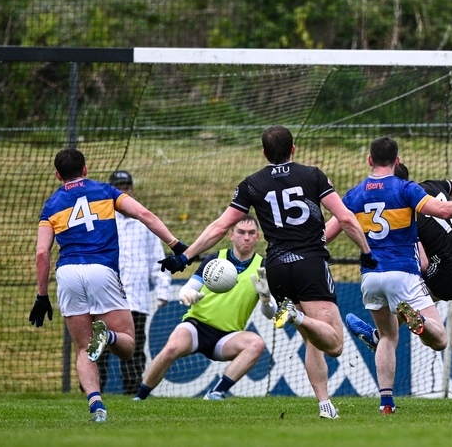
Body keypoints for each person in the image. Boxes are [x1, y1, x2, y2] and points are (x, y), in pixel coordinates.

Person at [158, 124, 378, 419]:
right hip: (309, 263)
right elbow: (346, 218)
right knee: (335, 344)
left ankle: (325, 405)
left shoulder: (251, 184)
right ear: (293, 149)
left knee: (311, 339)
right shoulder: (313, 175)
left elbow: (220, 227)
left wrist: (185, 256)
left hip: (275, 268)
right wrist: (366, 252)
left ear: (264, 153)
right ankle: (296, 315)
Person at [324, 136, 452, 414]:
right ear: (397, 160)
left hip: (370, 276)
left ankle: (386, 403)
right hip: (403, 274)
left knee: (386, 337)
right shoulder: (406, 189)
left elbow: (326, 235)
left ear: (369, 160)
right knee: (441, 340)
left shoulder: (354, 194)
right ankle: (421, 322)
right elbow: (444, 210)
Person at [30, 148, 188, 423]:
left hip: (67, 273)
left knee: (83, 349)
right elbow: (144, 214)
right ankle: (109, 337)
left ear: (57, 175)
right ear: (85, 169)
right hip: (100, 270)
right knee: (127, 346)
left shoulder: (51, 204)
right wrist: (175, 244)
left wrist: (41, 296)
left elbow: (42, 253)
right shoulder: (106, 191)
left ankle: (96, 406)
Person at [134, 214, 277, 401]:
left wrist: (266, 299)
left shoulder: (263, 268)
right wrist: (189, 295)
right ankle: (140, 398)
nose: (246, 237)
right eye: (241, 232)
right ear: (231, 235)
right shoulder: (216, 259)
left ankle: (216, 393)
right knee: (171, 348)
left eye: (251, 233)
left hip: (227, 337)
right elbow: (186, 290)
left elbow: (271, 314)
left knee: (256, 343)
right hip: (196, 326)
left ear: (258, 237)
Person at [94, 170, 172, 396]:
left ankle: (132, 391)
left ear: (132, 189)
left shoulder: (144, 221)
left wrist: (163, 289)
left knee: (135, 347)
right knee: (99, 345)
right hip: (105, 295)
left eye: (126, 187)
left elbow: (157, 259)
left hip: (136, 298)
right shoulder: (102, 221)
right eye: (118, 187)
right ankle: (92, 389)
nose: (123, 191)